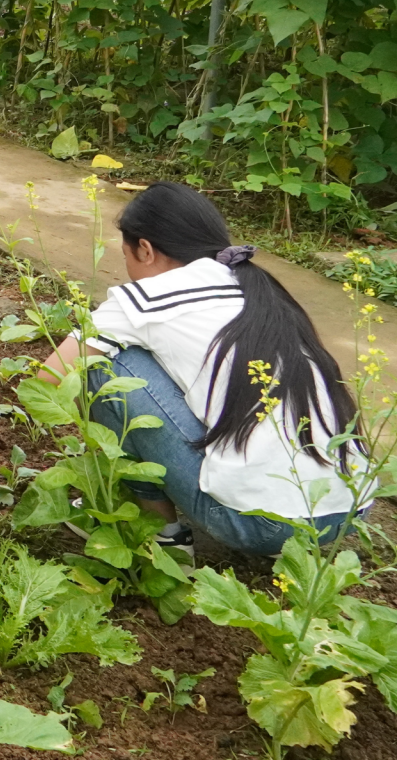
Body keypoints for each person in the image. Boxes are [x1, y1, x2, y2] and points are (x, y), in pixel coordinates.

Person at [39, 183, 367, 555]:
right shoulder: (257, 289)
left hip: (264, 525)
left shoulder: (147, 298)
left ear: (145, 249)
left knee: (105, 367)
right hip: (349, 512)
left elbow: (50, 378)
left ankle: (162, 535)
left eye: (126, 253)